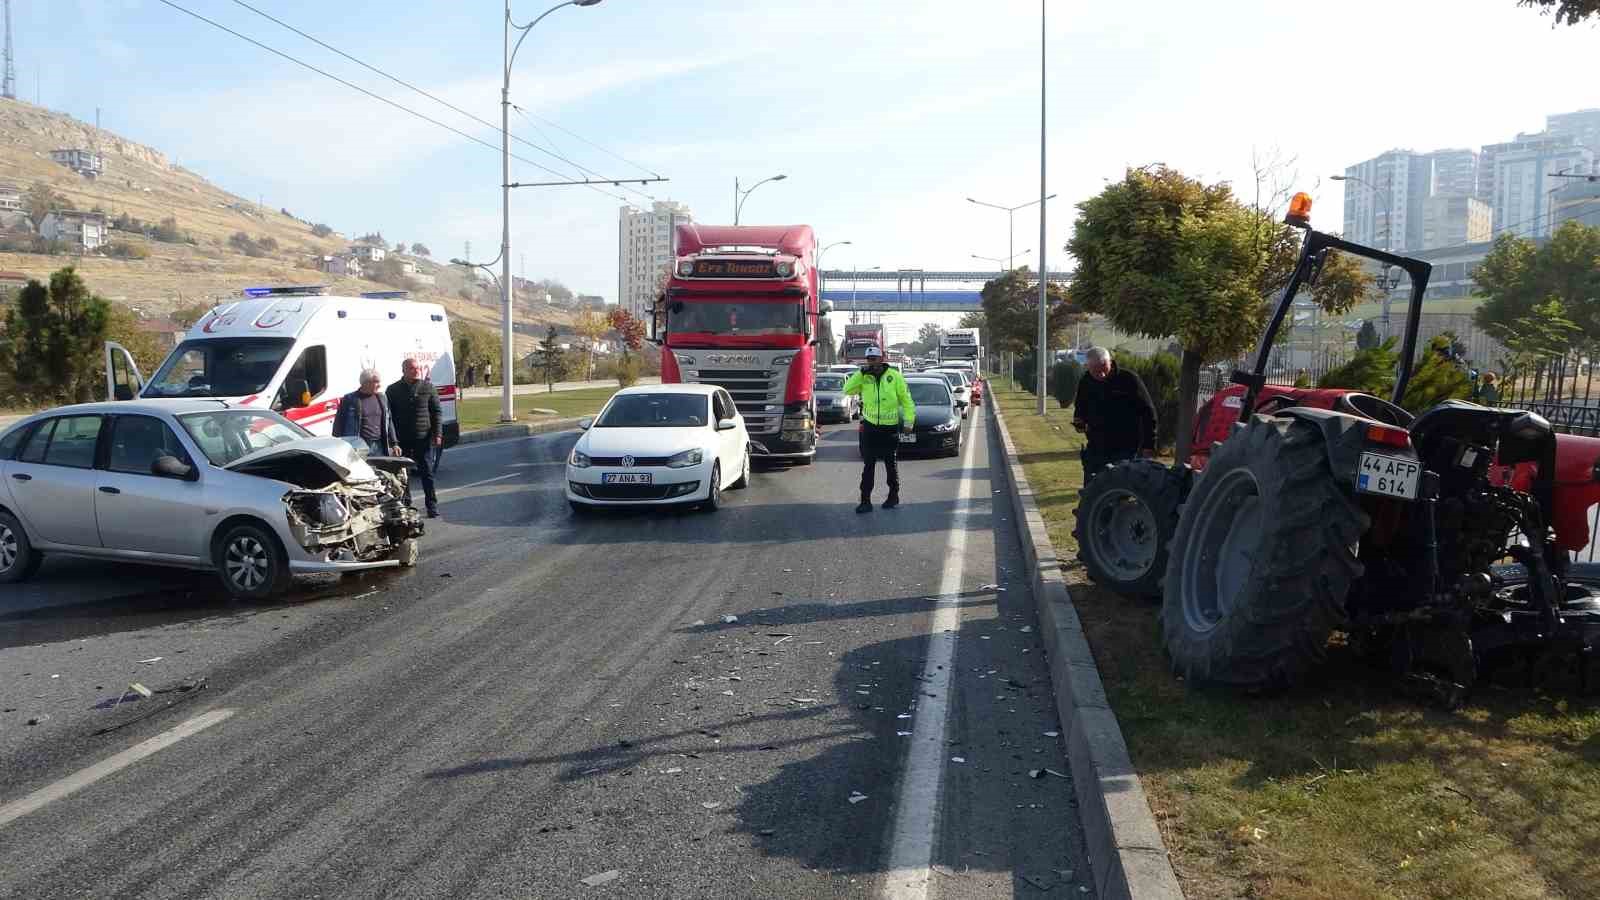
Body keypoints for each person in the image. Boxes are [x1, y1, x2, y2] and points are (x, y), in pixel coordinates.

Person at [842, 346, 915, 513]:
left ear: (881, 359)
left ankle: (893, 496)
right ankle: (865, 501)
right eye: (868, 359)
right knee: (869, 465)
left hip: (889, 428)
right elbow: (847, 390)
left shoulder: (894, 377)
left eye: (874, 358)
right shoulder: (864, 377)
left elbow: (907, 401)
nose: (871, 362)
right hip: (870, 427)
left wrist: (909, 422)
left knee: (891, 464)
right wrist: (860, 373)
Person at [1071, 347, 1157, 481]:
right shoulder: (1085, 382)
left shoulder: (1128, 379)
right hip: (1097, 447)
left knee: (1121, 485)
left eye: (1104, 369)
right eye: (1096, 372)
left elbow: (1148, 412)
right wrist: (1079, 423)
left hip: (1127, 447)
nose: (1102, 375)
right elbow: (1080, 410)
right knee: (1094, 486)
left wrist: (1149, 445)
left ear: (1110, 362)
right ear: (1088, 367)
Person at [387, 358, 443, 518]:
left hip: (423, 438)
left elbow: (437, 412)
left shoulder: (428, 387)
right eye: (412, 368)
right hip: (402, 439)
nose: (416, 370)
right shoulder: (393, 390)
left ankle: (432, 506)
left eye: (417, 368)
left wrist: (437, 434)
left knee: (427, 473)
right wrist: (393, 441)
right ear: (404, 370)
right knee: (403, 475)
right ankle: (406, 505)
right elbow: (389, 417)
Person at [332, 368, 402, 457]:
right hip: (357, 446)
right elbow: (338, 424)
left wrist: (394, 443)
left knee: (379, 466)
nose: (379, 385)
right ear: (365, 383)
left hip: (379, 446)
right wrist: (337, 444)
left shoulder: (382, 398)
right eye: (376, 382)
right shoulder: (349, 399)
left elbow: (389, 421)